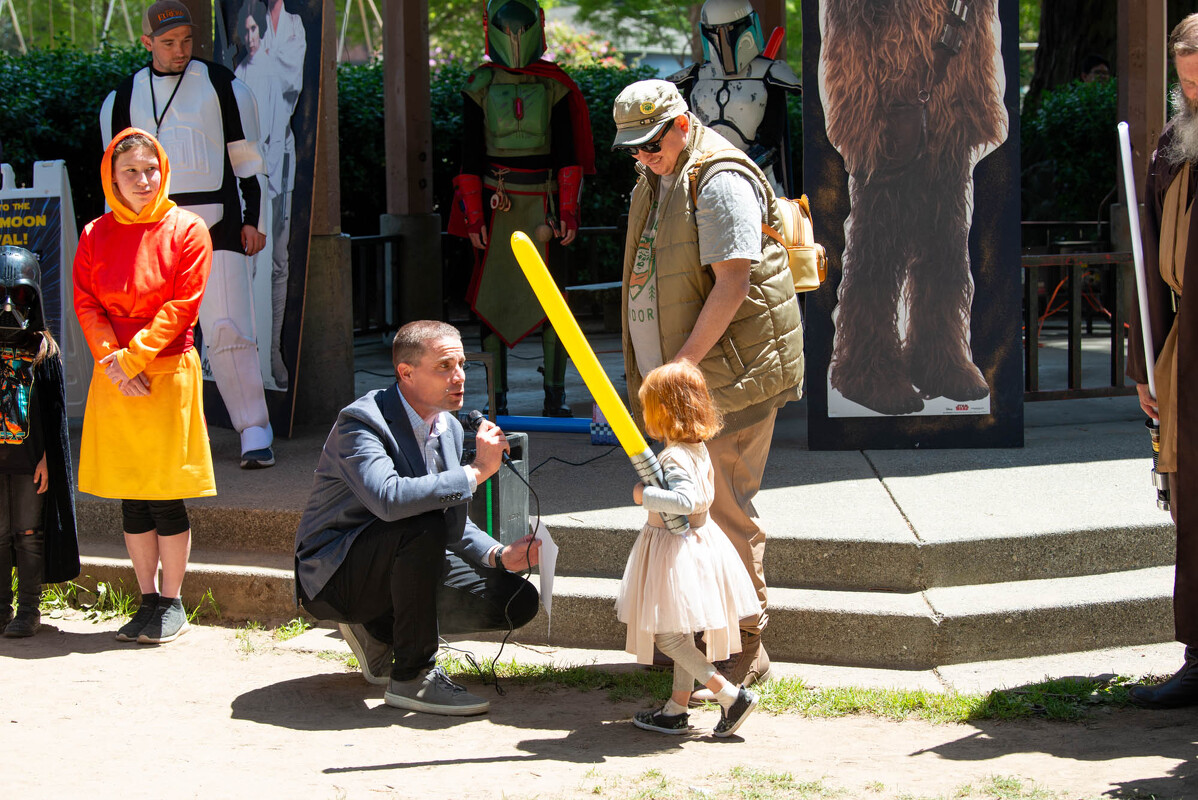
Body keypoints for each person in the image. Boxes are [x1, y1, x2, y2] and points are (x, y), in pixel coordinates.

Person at [612, 80, 804, 700]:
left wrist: (680, 368)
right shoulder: (657, 174)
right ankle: (700, 648)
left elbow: (733, 282)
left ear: (681, 124)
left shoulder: (718, 177)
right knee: (688, 517)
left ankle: (746, 646)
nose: (644, 156)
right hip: (684, 385)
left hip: (724, 383)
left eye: (652, 143)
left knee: (723, 513)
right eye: (633, 148)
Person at [294, 320, 542, 716]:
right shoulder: (361, 423)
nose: (459, 377)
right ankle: (413, 676)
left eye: (461, 365)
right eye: (444, 366)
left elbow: (449, 515)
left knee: (516, 601)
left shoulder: (448, 426)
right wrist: (477, 471)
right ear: (406, 373)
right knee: (420, 523)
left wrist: (498, 554)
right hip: (336, 575)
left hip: (404, 553)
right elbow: (389, 499)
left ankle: (381, 630)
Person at [100, 0, 275, 469]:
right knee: (155, 336)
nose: (180, 50)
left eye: (186, 40)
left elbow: (249, 162)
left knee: (229, 328)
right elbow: (113, 179)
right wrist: (116, 241)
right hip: (149, 235)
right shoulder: (121, 98)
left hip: (219, 228)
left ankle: (254, 427)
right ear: (147, 43)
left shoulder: (223, 85)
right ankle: (167, 434)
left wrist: (255, 220)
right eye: (168, 42)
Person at [74, 128, 216, 645]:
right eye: (130, 171)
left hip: (167, 372)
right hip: (116, 374)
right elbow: (87, 302)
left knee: (165, 494)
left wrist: (131, 359)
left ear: (164, 171)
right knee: (132, 495)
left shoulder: (188, 228)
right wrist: (112, 359)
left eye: (150, 169)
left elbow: (182, 306)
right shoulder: (94, 233)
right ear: (112, 177)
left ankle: (173, 601)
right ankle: (147, 599)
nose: (142, 179)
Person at [448, 0, 595, 417]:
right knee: (491, 300)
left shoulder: (554, 85)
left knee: (553, 303)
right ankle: (497, 399)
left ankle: (555, 395)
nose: (514, 36)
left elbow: (568, 154)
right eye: (507, 28)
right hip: (496, 208)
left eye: (520, 27)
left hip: (543, 208)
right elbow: (469, 156)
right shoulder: (479, 85)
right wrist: (474, 217)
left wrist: (568, 211)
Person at [618, 361, 760, 737]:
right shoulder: (696, 448)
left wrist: (643, 495)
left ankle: (730, 695)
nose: (644, 413)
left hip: (676, 550)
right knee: (681, 634)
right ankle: (676, 709)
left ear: (664, 410)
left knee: (667, 636)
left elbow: (688, 499)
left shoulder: (675, 456)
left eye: (648, 406)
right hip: (695, 545)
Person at [1127, 13, 1198, 709]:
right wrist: (1146, 362)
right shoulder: (1175, 145)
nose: (1195, 94)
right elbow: (1149, 258)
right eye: (1187, 83)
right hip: (1185, 352)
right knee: (1192, 504)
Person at [0, 247, 78, 638]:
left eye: (18, 294)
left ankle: (29, 610)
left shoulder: (43, 350)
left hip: (30, 460)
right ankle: (1, 608)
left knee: (28, 533)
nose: (8, 305)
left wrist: (48, 458)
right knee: (0, 534)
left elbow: (53, 416)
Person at [669, 0, 800, 196]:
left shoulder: (770, 75)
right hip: (704, 183)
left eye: (729, 31)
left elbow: (771, 142)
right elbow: (686, 139)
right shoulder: (694, 77)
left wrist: (734, 170)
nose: (724, 40)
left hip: (760, 183)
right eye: (716, 32)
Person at [234, 0, 297, 391]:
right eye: (246, 31)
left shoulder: (271, 72)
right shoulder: (236, 77)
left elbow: (273, 137)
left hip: (273, 180)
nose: (251, 36)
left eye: (256, 29)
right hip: (250, 186)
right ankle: (251, 354)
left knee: (277, 264)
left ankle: (272, 351)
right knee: (249, 269)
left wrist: (266, 190)